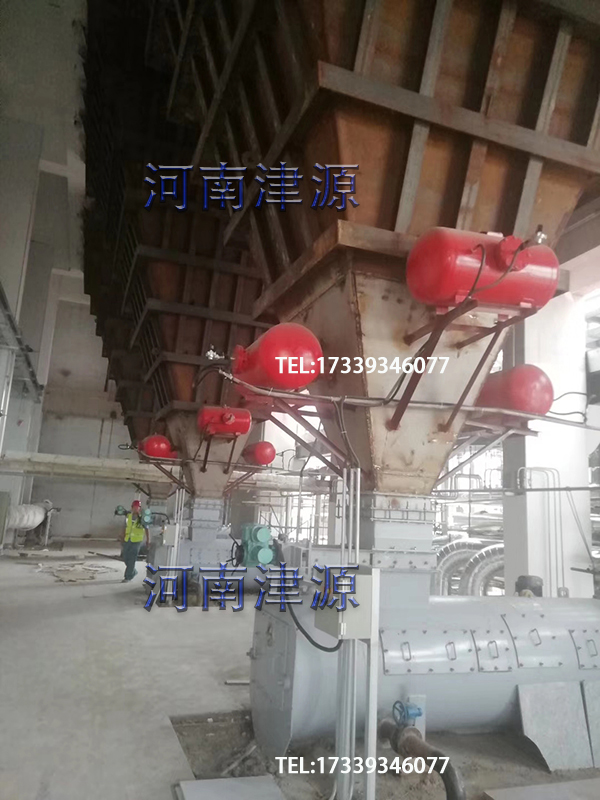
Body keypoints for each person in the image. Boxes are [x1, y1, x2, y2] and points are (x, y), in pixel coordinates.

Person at [121, 500, 149, 583]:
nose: (136, 509)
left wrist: (148, 540)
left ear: (139, 508)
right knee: (125, 557)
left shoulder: (142, 518)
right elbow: (125, 527)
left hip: (137, 541)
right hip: (127, 539)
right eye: (134, 507)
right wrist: (122, 536)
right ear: (132, 508)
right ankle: (133, 571)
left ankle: (128, 576)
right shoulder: (128, 517)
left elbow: (147, 529)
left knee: (132, 558)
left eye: (137, 507)